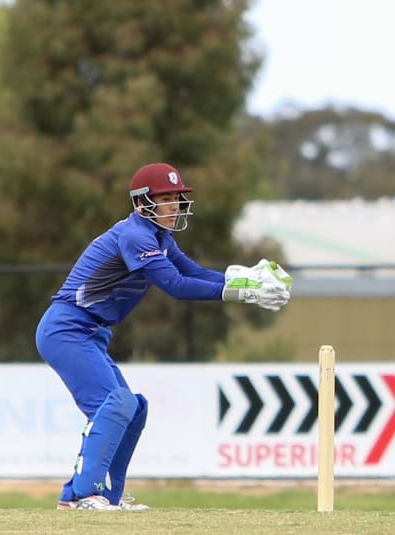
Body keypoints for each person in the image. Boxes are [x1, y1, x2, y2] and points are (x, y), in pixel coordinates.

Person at [35, 162, 292, 511]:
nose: (175, 206)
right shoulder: (134, 236)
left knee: (133, 409)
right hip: (66, 328)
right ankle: (80, 495)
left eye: (177, 198)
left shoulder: (160, 238)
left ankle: (106, 496)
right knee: (114, 404)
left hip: (90, 332)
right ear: (142, 203)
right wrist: (241, 293)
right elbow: (176, 285)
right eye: (166, 199)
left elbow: (195, 272)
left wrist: (246, 280)